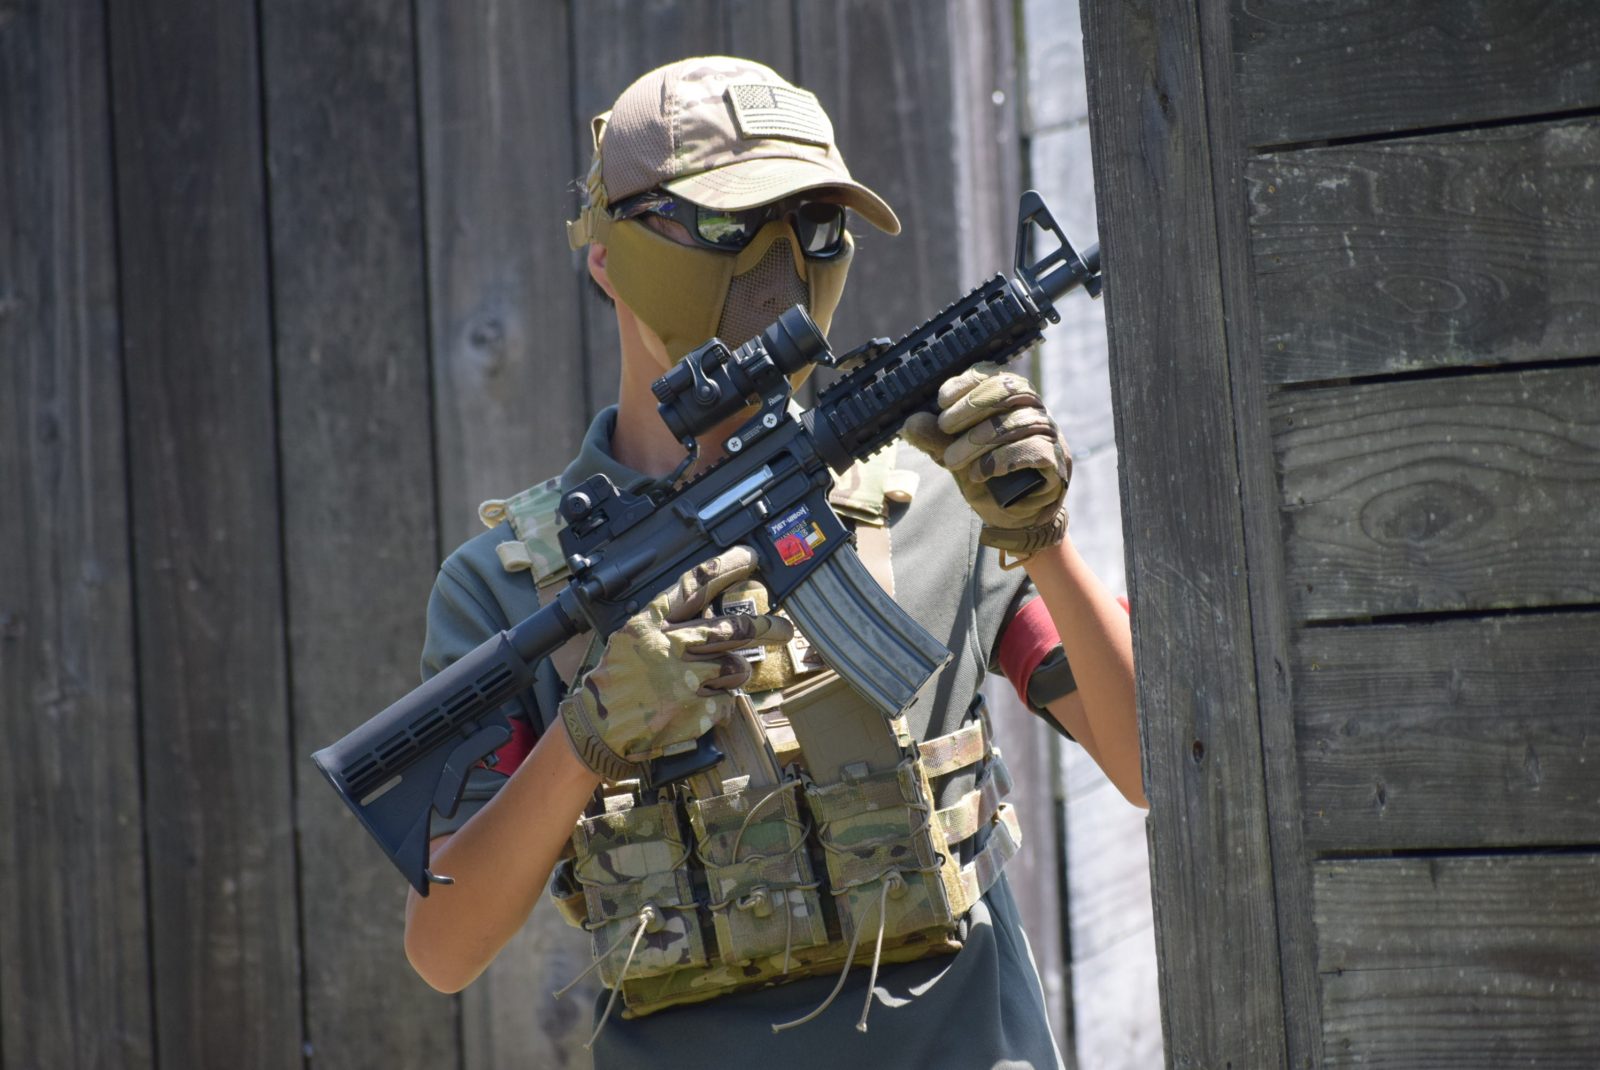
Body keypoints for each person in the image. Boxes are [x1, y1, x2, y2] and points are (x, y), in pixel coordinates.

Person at [402, 56, 1141, 1069]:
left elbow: (1151, 766)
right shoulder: (516, 585)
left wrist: (1040, 540)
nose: (779, 262)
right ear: (608, 256)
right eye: (730, 225)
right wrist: (587, 735)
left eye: (813, 225)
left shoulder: (935, 498)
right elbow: (442, 948)